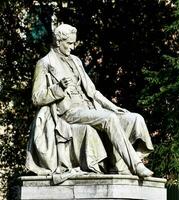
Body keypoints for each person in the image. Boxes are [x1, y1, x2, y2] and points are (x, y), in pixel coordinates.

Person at [26, 24, 154, 178]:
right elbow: (36, 97)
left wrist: (113, 106)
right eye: (69, 43)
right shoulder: (45, 63)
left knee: (133, 118)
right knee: (109, 118)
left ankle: (118, 165)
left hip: (90, 108)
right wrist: (57, 89)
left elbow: (93, 91)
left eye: (74, 43)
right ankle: (136, 165)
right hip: (69, 112)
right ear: (58, 41)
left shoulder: (76, 61)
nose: (73, 47)